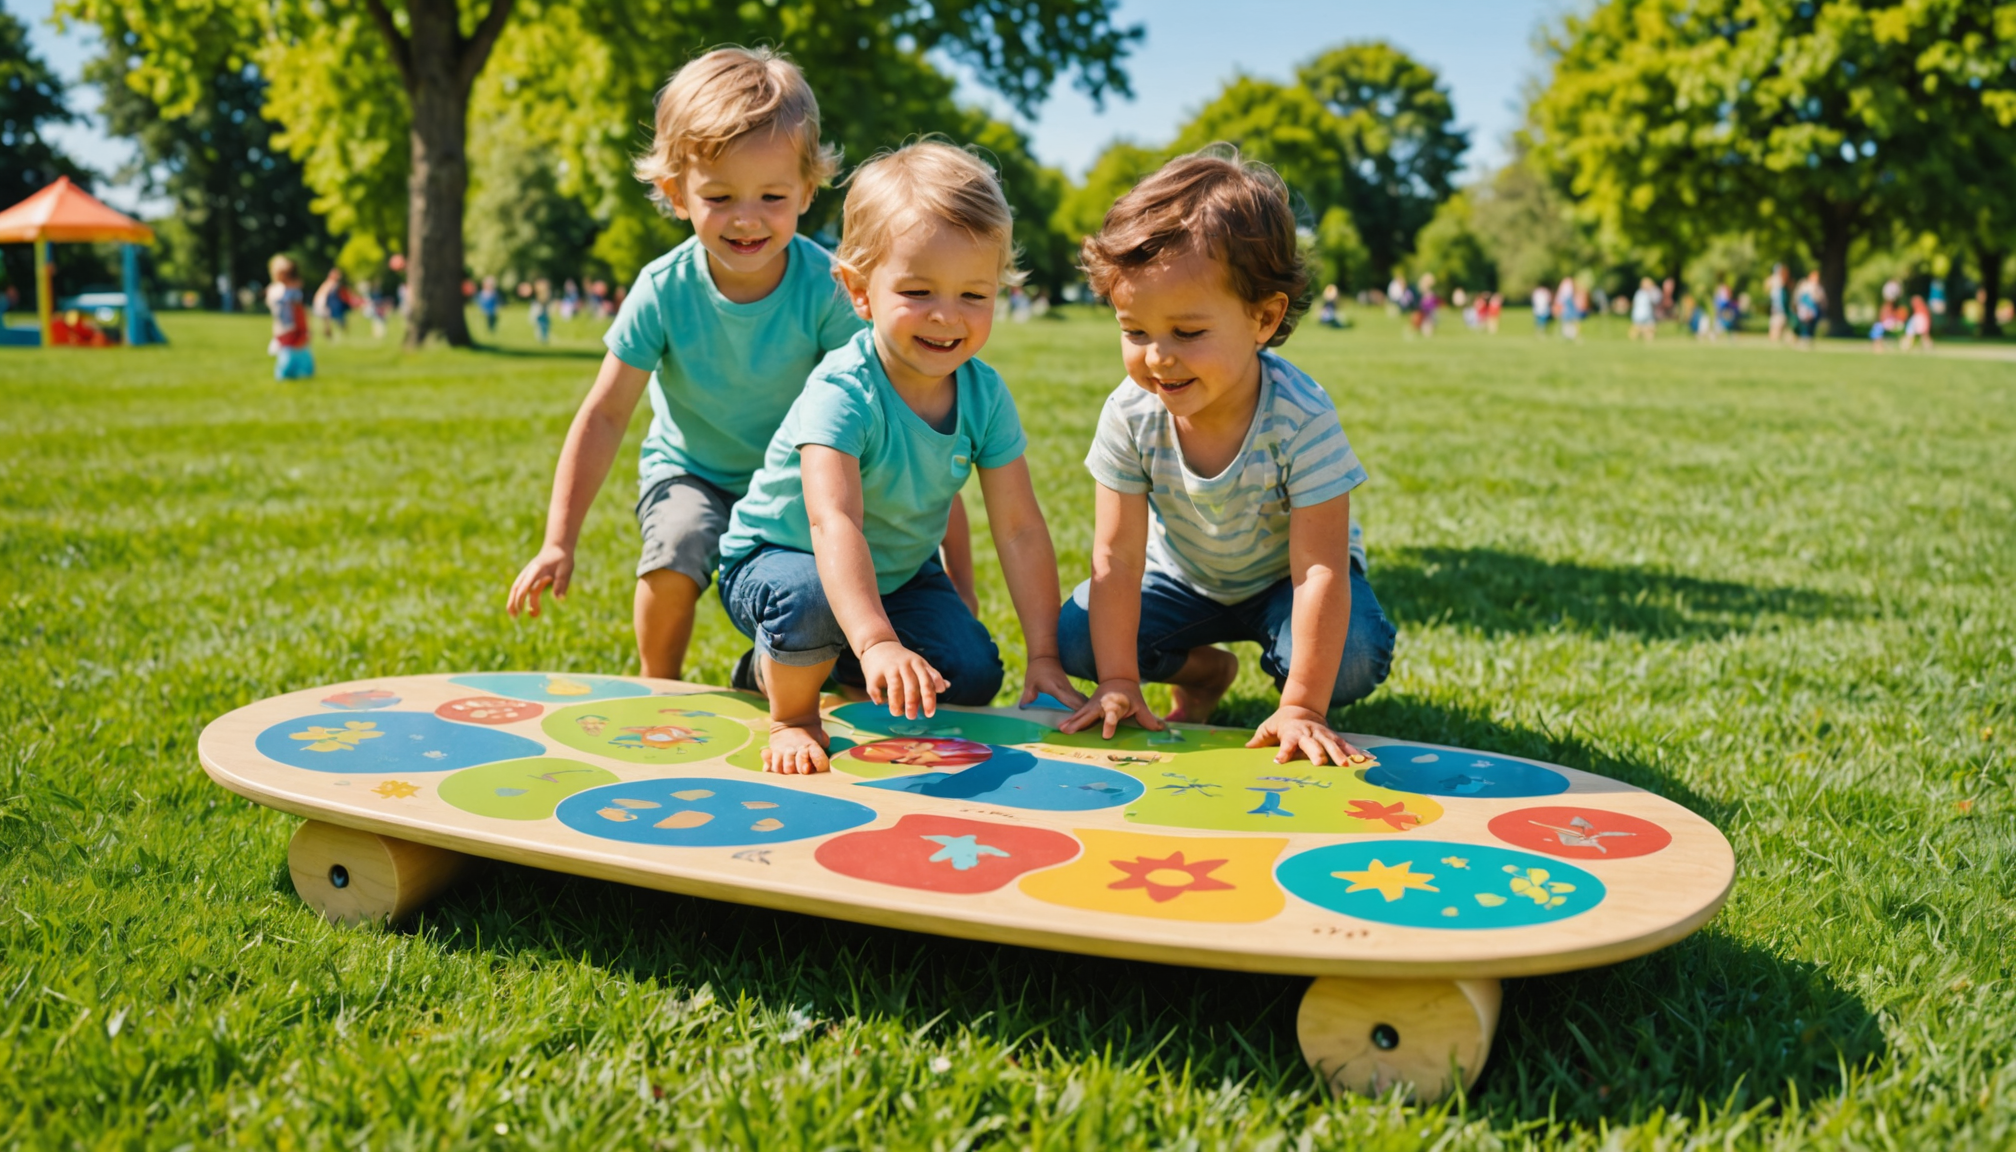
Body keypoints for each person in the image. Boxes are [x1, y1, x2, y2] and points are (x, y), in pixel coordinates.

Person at [506, 48, 974, 681]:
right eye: (719, 196)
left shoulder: (826, 289)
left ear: (808, 190)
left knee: (847, 591)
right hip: (693, 472)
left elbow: (903, 423)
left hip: (796, 482)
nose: (747, 217)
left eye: (772, 195)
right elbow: (605, 413)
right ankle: (658, 684)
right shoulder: (663, 290)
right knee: (676, 551)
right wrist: (559, 539)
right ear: (677, 193)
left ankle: (777, 667)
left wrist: (955, 574)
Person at [715, 141, 1086, 773]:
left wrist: (1045, 654)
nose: (948, 317)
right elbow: (834, 523)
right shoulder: (843, 392)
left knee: (967, 676)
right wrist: (879, 639)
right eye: (918, 290)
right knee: (810, 603)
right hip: (779, 560)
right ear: (860, 292)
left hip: (900, 572)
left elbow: (1020, 528)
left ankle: (826, 657)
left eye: (975, 294)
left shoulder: (983, 394)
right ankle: (788, 703)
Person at [1054, 149, 1395, 767]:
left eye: (1187, 333)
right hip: (1181, 581)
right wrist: (1120, 682)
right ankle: (1207, 672)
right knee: (1079, 636)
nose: (1158, 357)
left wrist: (1302, 708)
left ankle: (1292, 679)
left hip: (1284, 585)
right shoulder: (1130, 413)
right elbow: (1118, 557)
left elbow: (1320, 570)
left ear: (1263, 318)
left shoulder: (1301, 415)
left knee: (1351, 657)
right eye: (1136, 332)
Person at [265, 255, 313, 380]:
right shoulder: (278, 290)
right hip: (283, 328)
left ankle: (298, 373)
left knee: (299, 355)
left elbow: (299, 311)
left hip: (294, 326)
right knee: (287, 358)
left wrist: (304, 329)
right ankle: (285, 374)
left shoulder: (291, 291)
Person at [1629, 276, 1660, 341]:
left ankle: (1648, 342)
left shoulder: (1649, 292)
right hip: (1641, 314)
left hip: (1647, 314)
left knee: (1649, 329)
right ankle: (1633, 340)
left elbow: (1657, 299)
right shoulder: (1641, 293)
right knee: (1639, 329)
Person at [1555, 275, 1580, 341]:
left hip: (1569, 304)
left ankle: (1571, 335)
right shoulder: (1566, 285)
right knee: (1566, 321)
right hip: (1566, 305)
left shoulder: (1568, 285)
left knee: (1571, 321)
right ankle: (1567, 335)